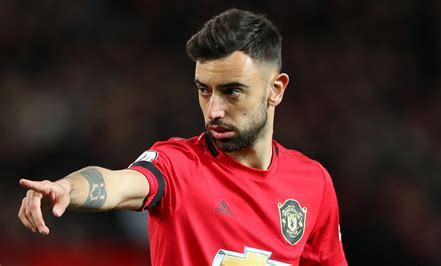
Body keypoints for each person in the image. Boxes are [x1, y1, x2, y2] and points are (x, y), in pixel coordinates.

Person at [18, 8, 347, 266]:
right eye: (204, 90)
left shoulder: (313, 183)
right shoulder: (179, 166)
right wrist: (66, 188)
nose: (214, 109)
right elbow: (119, 184)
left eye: (232, 91)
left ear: (275, 90)